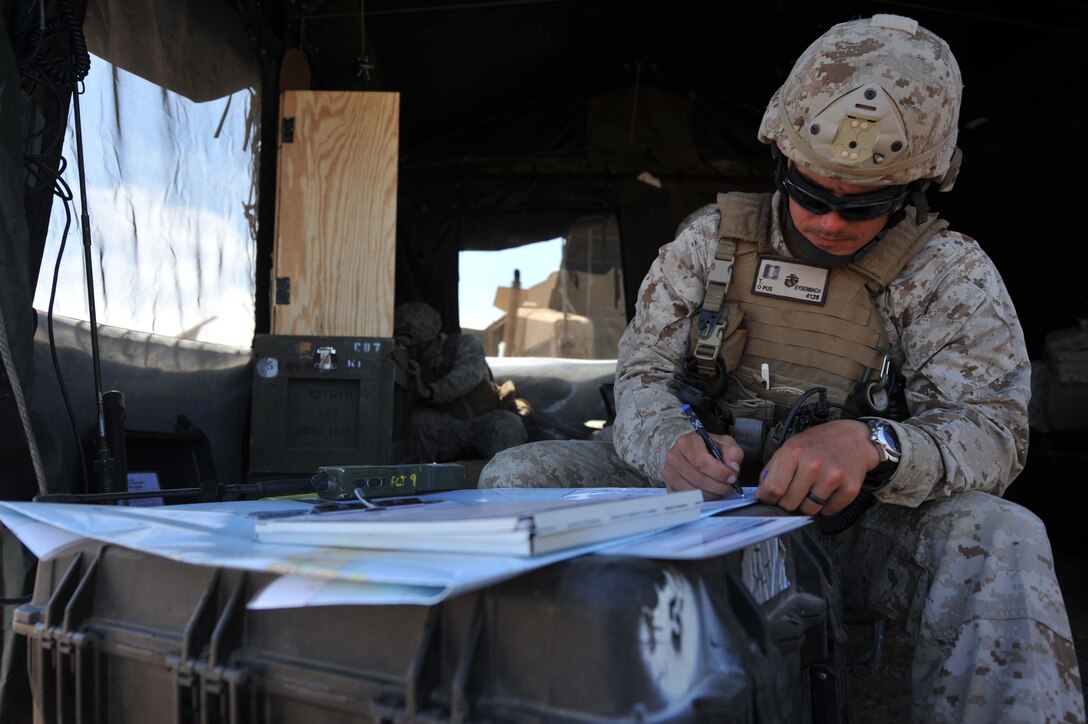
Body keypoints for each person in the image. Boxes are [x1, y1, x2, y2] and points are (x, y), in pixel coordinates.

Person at [479, 14, 1085, 722]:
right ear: (782, 161)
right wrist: (670, 446)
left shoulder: (949, 276)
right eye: (812, 193)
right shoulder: (709, 244)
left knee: (1003, 532)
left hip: (858, 530)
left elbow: (995, 432)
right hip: (698, 508)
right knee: (517, 480)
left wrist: (877, 445)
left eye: (864, 206)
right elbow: (643, 381)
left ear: (917, 188)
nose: (829, 223)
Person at [394, 301, 529, 463]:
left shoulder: (465, 345)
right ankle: (423, 481)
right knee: (418, 421)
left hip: (482, 423)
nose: (407, 353)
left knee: (507, 423)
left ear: (425, 342)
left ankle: (507, 482)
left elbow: (466, 378)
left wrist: (429, 391)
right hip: (448, 429)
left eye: (411, 348)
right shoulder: (412, 364)